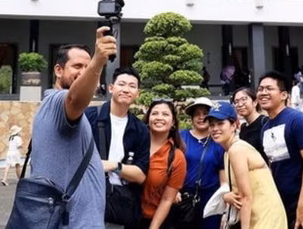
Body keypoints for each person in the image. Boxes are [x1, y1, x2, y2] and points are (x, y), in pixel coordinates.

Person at [30, 31, 116, 229]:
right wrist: (97, 62)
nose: (84, 72)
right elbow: (74, 99)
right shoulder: (57, 101)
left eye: (87, 66)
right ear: (58, 70)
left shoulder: (54, 107)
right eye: (77, 66)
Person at [257, 72, 303, 229]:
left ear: (284, 95)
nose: (263, 93)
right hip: (285, 204)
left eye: (269, 88)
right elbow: (273, 165)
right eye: (260, 89)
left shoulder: (297, 121)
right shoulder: (265, 128)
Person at [86, 67, 150, 229]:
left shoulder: (140, 130)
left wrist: (113, 165)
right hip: (86, 199)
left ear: (138, 93)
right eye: (121, 84)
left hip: (120, 205)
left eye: (132, 86)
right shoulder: (89, 116)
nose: (126, 89)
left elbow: (141, 175)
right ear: (111, 87)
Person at [207, 102, 288, 229]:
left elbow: (246, 197)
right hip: (259, 215)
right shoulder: (229, 151)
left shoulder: (236, 150)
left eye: (220, 123)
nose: (215, 128)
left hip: (265, 217)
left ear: (234, 125)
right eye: (212, 125)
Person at [178, 97, 226, 229]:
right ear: (192, 118)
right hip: (184, 197)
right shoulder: (181, 137)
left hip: (211, 199)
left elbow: (224, 179)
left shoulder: (219, 142)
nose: (201, 117)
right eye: (197, 114)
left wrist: (225, 208)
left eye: (205, 114)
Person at [139, 99, 187, 229]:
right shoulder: (134, 144)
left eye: (165, 114)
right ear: (148, 118)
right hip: (121, 216)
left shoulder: (176, 157)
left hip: (151, 220)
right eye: (155, 113)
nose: (159, 117)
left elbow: (167, 200)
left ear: (173, 123)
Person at [231, 87, 268, 162]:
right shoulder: (243, 127)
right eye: (236, 102)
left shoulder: (265, 122)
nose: (240, 104)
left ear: (255, 102)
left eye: (244, 99)